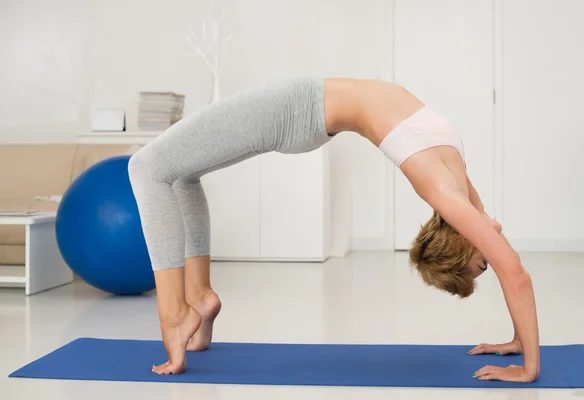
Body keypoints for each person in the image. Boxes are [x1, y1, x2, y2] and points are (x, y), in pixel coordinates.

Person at [128, 77, 539, 382]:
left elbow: (511, 271)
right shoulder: (453, 193)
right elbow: (514, 273)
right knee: (172, 172)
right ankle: (196, 300)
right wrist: (525, 358)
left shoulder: (449, 189)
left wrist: (523, 355)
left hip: (299, 109)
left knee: (147, 167)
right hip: (296, 107)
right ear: (458, 243)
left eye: (480, 262)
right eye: (482, 265)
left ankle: (176, 315)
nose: (491, 251)